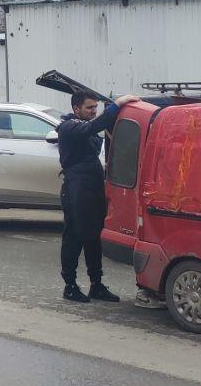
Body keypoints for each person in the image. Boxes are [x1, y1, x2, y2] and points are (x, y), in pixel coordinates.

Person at [55, 91, 139, 303]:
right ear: (76, 108)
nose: (93, 111)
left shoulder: (87, 127)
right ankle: (70, 286)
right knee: (74, 238)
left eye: (95, 107)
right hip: (76, 190)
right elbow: (93, 127)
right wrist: (117, 105)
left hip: (92, 188)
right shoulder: (69, 127)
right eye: (89, 108)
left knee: (93, 238)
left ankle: (96, 285)